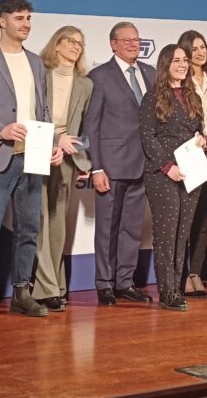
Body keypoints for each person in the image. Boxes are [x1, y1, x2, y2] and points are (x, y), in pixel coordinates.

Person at [0, 0, 63, 323]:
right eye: (19, 18)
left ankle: (22, 292)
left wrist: (51, 144)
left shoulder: (35, 62)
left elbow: (42, 109)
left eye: (29, 18)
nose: (26, 24)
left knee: (29, 228)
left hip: (32, 157)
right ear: (2, 21)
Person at [84, 21, 157, 306]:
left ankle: (125, 282)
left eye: (136, 40)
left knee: (132, 228)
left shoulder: (150, 73)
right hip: (111, 166)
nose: (133, 44)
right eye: (126, 40)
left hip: (143, 164)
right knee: (107, 228)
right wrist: (96, 167)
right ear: (113, 44)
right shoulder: (99, 76)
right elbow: (91, 125)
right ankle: (104, 283)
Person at [139, 44, 207, 311]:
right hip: (163, 174)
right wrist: (167, 166)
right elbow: (147, 137)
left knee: (182, 233)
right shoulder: (153, 97)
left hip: (191, 171)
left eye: (185, 60)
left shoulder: (193, 96)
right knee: (166, 234)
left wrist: (202, 140)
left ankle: (177, 287)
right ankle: (166, 291)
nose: (182, 65)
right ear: (165, 65)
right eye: (176, 60)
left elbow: (197, 130)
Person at [33, 26, 94, 312]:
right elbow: (30, 114)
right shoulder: (39, 73)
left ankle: (56, 285)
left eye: (80, 43)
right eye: (71, 41)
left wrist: (84, 158)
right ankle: (44, 287)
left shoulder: (85, 84)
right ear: (56, 44)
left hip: (68, 159)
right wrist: (54, 141)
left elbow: (88, 129)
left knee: (57, 223)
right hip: (38, 151)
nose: (76, 46)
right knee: (40, 220)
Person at [177, 30, 207, 298]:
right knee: (185, 220)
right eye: (194, 48)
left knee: (203, 220)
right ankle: (180, 275)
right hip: (188, 157)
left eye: (203, 47)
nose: (200, 52)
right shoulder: (180, 83)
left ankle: (195, 273)